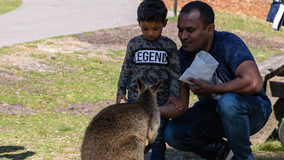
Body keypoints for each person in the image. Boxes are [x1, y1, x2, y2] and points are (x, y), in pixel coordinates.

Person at [159, 1, 272, 160]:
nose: (183, 36)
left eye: (190, 30)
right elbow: (182, 107)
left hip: (252, 109)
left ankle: (243, 157)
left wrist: (211, 88)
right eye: (180, 30)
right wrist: (154, 110)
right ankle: (225, 154)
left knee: (228, 103)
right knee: (173, 132)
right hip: (213, 112)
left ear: (209, 29)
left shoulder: (228, 43)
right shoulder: (183, 56)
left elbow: (254, 82)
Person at [116, 0, 182, 159]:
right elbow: (126, 68)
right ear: (138, 23)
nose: (150, 33)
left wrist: (174, 95)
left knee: (157, 137)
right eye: (145, 29)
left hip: (160, 101)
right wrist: (120, 90)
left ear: (164, 23)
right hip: (135, 100)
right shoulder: (134, 44)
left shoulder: (169, 46)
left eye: (155, 28)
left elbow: (175, 72)